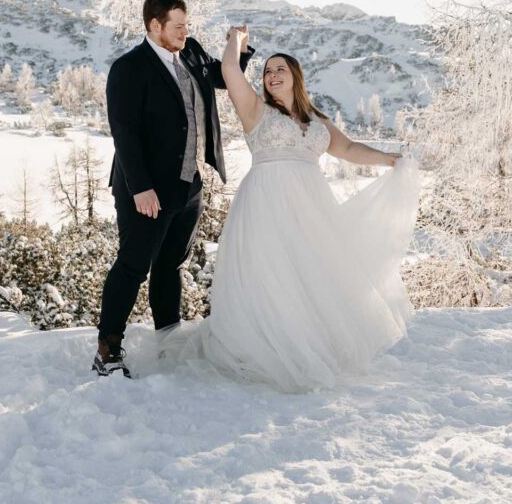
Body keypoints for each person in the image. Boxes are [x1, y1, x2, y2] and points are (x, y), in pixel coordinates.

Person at [154, 27, 422, 392]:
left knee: (307, 271)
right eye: (267, 71)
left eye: (280, 68)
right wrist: (238, 40)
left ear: (296, 75)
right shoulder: (255, 109)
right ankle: (265, 346)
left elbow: (348, 149)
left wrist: (387, 160)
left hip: (310, 205)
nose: (273, 74)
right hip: (265, 200)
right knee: (271, 271)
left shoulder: (318, 121)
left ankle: (309, 342)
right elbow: (231, 70)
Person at [93, 0, 254, 377]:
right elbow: (124, 132)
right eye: (178, 26)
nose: (186, 31)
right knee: (133, 266)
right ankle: (107, 350)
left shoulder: (193, 51)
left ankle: (168, 341)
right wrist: (140, 187)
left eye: (187, 25)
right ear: (154, 25)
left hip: (190, 185)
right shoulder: (129, 68)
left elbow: (220, 77)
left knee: (171, 266)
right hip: (146, 189)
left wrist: (241, 48)